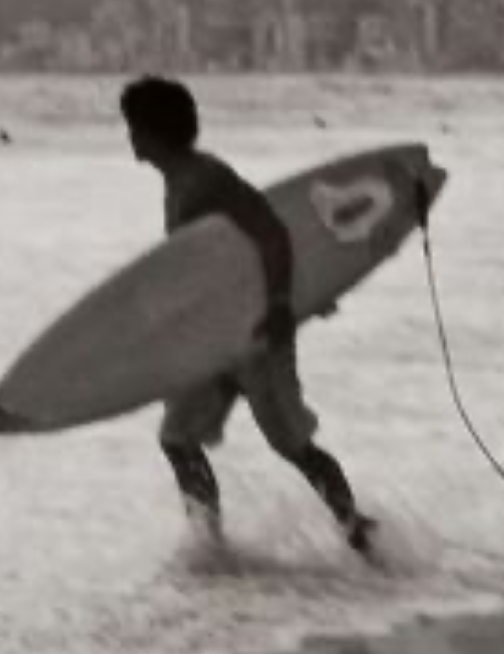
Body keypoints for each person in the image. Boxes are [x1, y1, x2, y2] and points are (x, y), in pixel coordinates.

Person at [119, 75, 379, 558]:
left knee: (292, 445)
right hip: (215, 339)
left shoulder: (207, 178)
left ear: (154, 131)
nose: (129, 137)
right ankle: (209, 545)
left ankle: (359, 533)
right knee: (177, 438)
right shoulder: (178, 182)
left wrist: (281, 306)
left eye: (133, 126)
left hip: (258, 333)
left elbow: (272, 232)